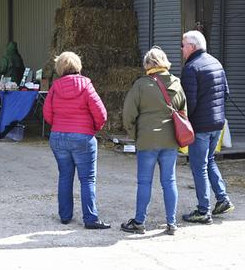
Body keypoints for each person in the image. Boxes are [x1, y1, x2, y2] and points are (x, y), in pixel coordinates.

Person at [121, 47, 185, 235]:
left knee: (144, 183)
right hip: (170, 141)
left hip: (147, 140)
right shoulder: (177, 83)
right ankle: (171, 223)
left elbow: (128, 114)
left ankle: (139, 222)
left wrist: (135, 134)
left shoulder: (141, 85)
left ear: (148, 64)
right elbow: (183, 112)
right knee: (169, 181)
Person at [42, 51, 109, 229]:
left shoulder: (55, 87)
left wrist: (59, 125)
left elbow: (47, 114)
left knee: (65, 176)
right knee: (87, 179)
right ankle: (90, 219)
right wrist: (92, 129)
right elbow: (101, 113)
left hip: (58, 137)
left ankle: (65, 216)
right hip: (82, 137)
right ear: (77, 65)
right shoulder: (86, 85)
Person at [180, 30, 234, 224]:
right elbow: (225, 92)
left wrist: (183, 123)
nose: (181, 48)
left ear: (192, 46)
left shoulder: (191, 68)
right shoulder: (216, 62)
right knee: (209, 160)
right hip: (217, 123)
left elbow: (189, 103)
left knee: (199, 166)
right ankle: (222, 199)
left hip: (201, 126)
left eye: (183, 45)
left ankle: (203, 210)